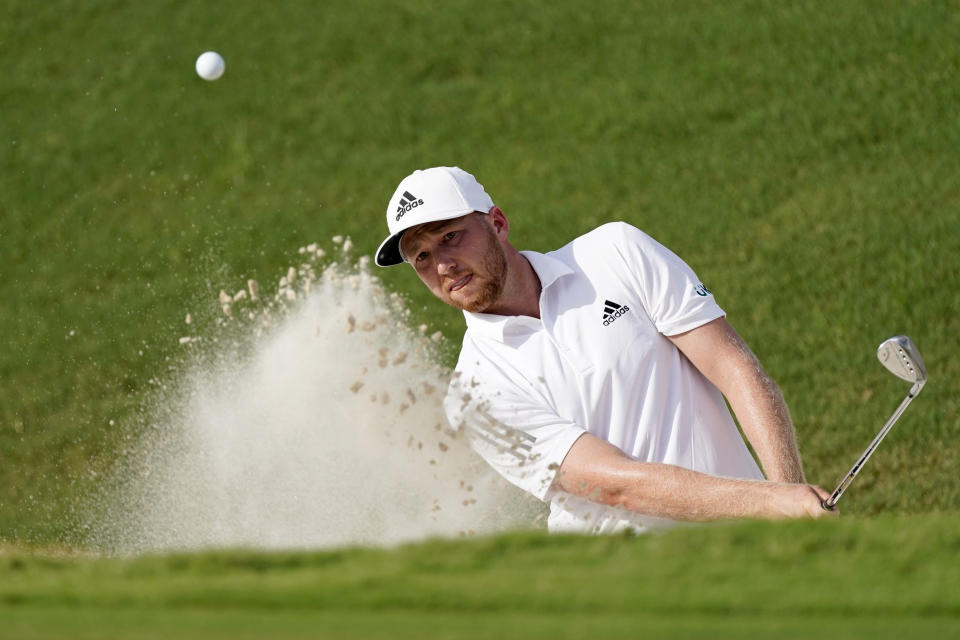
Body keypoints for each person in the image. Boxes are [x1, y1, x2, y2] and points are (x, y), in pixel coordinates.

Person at [375, 166, 835, 534]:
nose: (443, 264)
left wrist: (786, 494)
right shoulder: (475, 395)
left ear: (497, 222)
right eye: (422, 257)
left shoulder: (615, 252)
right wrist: (768, 503)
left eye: (450, 236)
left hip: (747, 546)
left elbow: (734, 368)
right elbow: (614, 486)